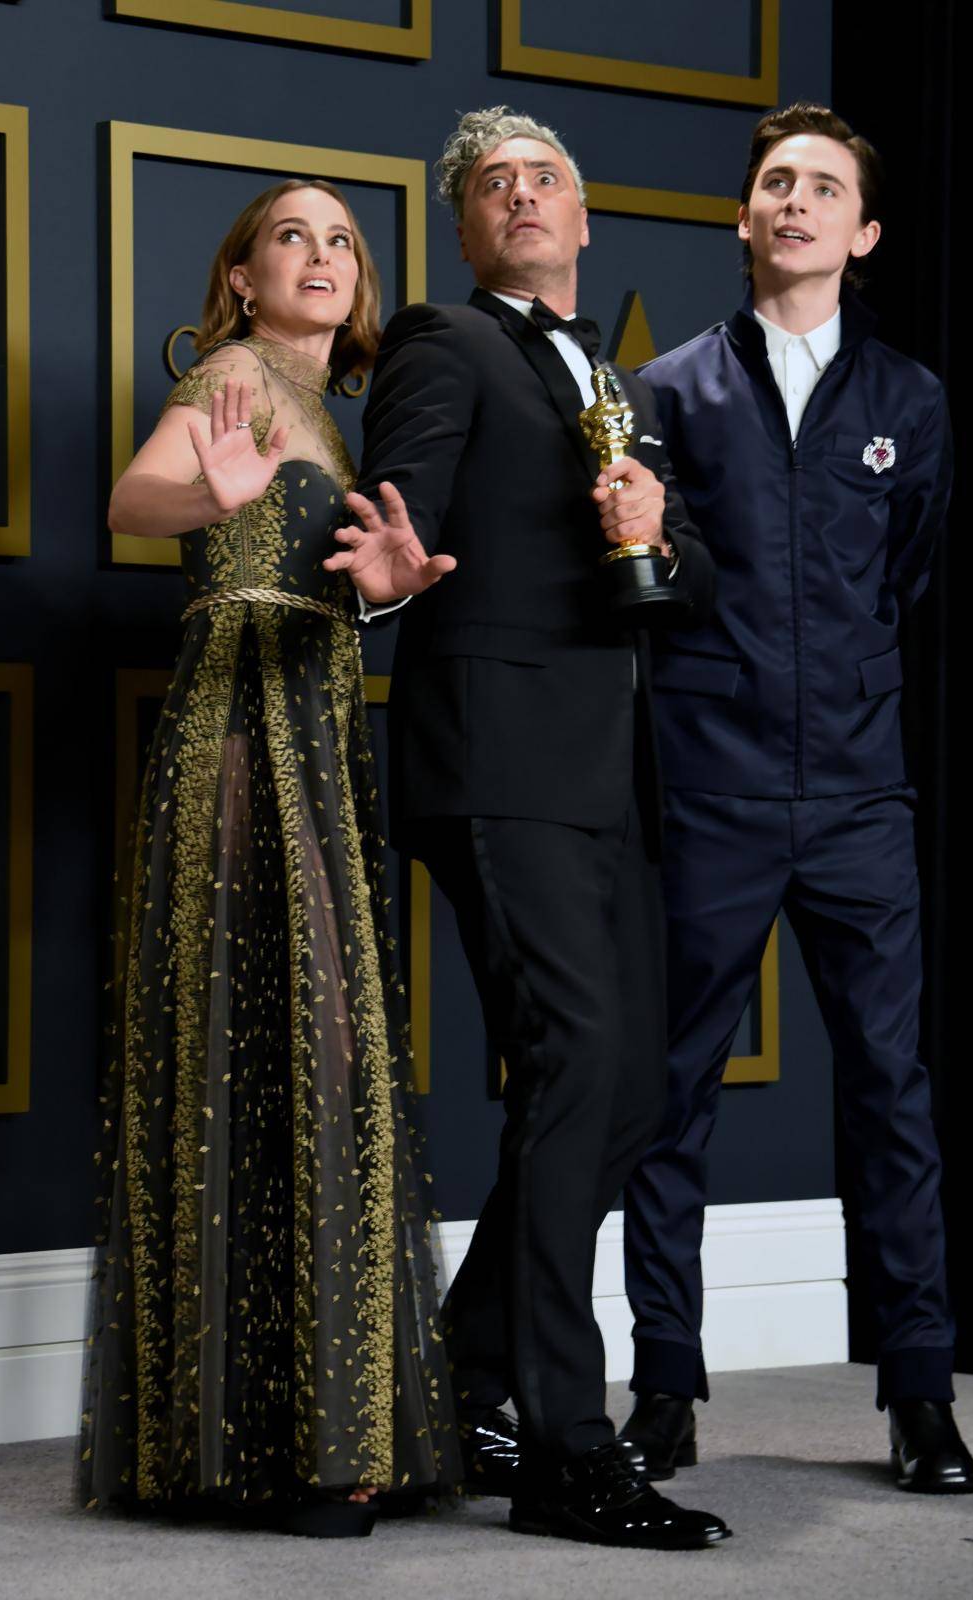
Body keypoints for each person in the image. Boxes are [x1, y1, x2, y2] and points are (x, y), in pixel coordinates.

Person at [324, 106, 730, 1552]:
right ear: (467, 223)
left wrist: (655, 533)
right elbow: (404, 520)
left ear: (579, 208)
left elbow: (647, 584)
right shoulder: (444, 342)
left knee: (626, 1095)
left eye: (542, 176)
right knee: (577, 1065)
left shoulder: (604, 375)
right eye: (492, 185)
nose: (521, 196)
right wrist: (381, 579)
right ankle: (567, 1447)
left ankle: (465, 1378)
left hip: (607, 777)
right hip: (498, 764)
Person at [80, 177, 460, 1536]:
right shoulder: (235, 379)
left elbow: (329, 572)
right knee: (284, 1052)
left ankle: (301, 1428)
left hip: (311, 722)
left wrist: (390, 592)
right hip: (244, 727)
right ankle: (292, 1445)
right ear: (239, 276)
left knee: (301, 1054)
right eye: (290, 234)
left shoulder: (333, 414)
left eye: (342, 239)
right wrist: (207, 486)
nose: (321, 254)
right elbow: (134, 502)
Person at [619, 102, 973, 1495]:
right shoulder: (666, 390)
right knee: (671, 1099)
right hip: (707, 789)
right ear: (743, 217)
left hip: (856, 798)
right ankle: (665, 1390)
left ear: (863, 232)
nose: (794, 203)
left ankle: (922, 1395)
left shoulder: (911, 403)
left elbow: (909, 575)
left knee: (891, 1093)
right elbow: (653, 578)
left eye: (822, 188)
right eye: (774, 183)